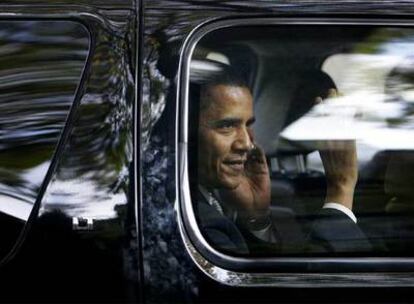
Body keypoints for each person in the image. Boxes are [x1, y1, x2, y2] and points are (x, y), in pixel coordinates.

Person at [190, 65, 372, 256]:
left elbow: (256, 278)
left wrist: (256, 219)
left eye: (248, 125)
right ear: (186, 130)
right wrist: (340, 189)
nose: (246, 143)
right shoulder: (199, 222)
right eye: (227, 126)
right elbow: (311, 283)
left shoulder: (205, 200)